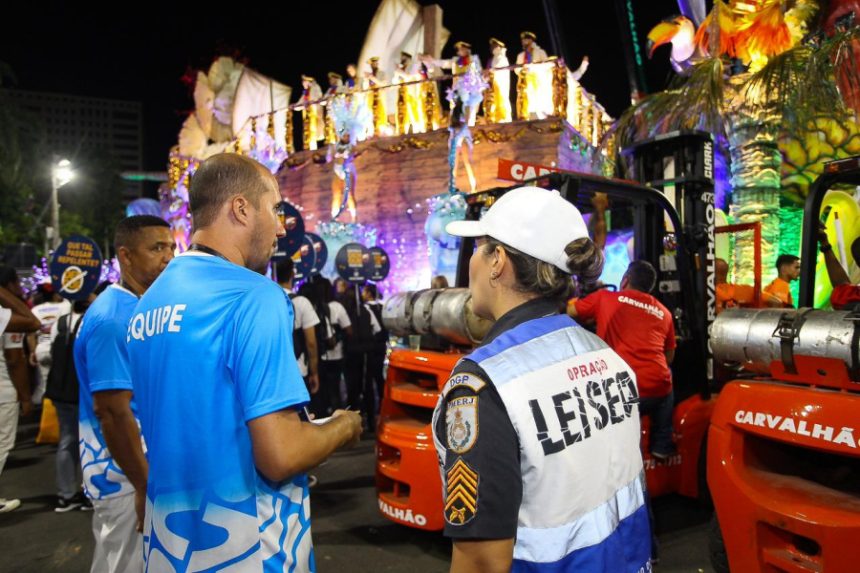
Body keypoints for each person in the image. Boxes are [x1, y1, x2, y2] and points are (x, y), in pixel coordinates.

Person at [126, 154, 362, 571]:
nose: (280, 226)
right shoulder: (254, 295)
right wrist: (343, 426)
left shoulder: (150, 302)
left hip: (170, 549)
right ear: (240, 208)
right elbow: (281, 454)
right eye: (274, 209)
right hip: (249, 550)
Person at [433, 186, 651, 572]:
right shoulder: (603, 354)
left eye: (480, 248)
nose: (473, 264)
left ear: (497, 260)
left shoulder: (485, 384)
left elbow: (482, 561)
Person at [75, 215, 175, 572]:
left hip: (134, 470)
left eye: (172, 247)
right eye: (157, 248)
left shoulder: (138, 307)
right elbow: (112, 412)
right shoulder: (114, 318)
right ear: (126, 256)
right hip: (123, 476)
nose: (168, 257)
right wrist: (143, 485)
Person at [570, 260, 677, 459]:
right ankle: (662, 445)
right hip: (656, 389)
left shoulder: (605, 298)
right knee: (666, 384)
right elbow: (669, 356)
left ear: (625, 279)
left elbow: (570, 312)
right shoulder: (664, 312)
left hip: (621, 390)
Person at [38, 291, 99, 512]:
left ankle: (67, 493)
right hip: (81, 393)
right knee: (89, 443)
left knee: (68, 441)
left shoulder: (60, 323)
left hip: (60, 391)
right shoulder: (92, 321)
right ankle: (87, 491)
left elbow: (46, 354)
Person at [0, 266, 41, 514]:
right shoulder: (4, 315)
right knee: (2, 444)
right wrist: (25, 397)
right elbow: (31, 322)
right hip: (3, 392)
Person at [276, 258, 320, 397]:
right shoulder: (302, 302)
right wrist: (314, 372)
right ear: (292, 274)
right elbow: (311, 343)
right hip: (299, 370)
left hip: (274, 373)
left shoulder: (266, 300)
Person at [342, 284, 382, 428]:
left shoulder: (344, 312)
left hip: (350, 354)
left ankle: (353, 422)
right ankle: (370, 420)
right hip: (366, 353)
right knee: (367, 387)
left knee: (352, 387)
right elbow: (376, 329)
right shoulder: (366, 311)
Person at [422, 41, 487, 127]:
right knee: (457, 108)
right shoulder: (456, 61)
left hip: (470, 88)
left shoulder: (473, 59)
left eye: (461, 49)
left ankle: (468, 127)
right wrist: (432, 61)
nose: (459, 51)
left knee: (470, 108)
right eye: (459, 50)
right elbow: (444, 63)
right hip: (458, 88)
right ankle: (456, 126)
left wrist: (480, 82)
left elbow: (478, 71)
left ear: (467, 50)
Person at [27, 284, 70, 404]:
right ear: (55, 294)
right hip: (59, 348)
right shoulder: (65, 305)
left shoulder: (35, 310)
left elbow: (31, 334)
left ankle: (44, 408)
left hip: (41, 348)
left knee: (44, 382)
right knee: (61, 381)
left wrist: (32, 351)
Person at [515, 31, 553, 120]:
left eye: (525, 40)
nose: (523, 42)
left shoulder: (540, 52)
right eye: (523, 40)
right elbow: (517, 69)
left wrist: (533, 68)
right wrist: (523, 70)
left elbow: (547, 65)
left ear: (531, 40)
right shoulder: (521, 55)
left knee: (540, 101)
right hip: (526, 82)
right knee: (528, 101)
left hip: (538, 80)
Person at [362, 283, 388, 408]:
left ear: (368, 293)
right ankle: (383, 401)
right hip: (382, 345)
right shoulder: (383, 307)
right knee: (379, 375)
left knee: (370, 376)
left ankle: (371, 405)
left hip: (371, 345)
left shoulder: (365, 308)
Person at [484, 38, 512, 124]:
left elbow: (498, 67)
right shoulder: (493, 58)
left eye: (494, 45)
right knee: (492, 100)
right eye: (491, 46)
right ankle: (492, 117)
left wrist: (490, 71)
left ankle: (502, 118)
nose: (492, 47)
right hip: (492, 83)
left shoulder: (502, 57)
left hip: (500, 81)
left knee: (501, 98)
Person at [298, 74, 325, 150]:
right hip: (307, 113)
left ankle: (313, 149)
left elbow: (318, 97)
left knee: (313, 130)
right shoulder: (306, 92)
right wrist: (295, 105)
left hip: (313, 112)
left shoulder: (315, 87)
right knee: (307, 130)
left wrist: (312, 102)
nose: (303, 84)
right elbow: (301, 101)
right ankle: (308, 147)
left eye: (304, 82)